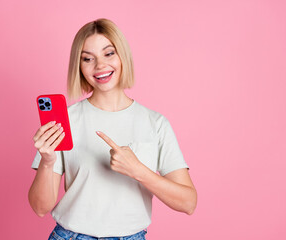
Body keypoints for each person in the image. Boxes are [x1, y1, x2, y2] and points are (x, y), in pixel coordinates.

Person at [28, 18, 197, 240]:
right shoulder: (65, 121)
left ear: (122, 56)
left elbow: (188, 203)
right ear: (79, 67)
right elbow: (40, 208)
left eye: (108, 54)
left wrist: (139, 171)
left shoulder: (155, 123)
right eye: (87, 59)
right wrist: (47, 162)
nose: (99, 66)